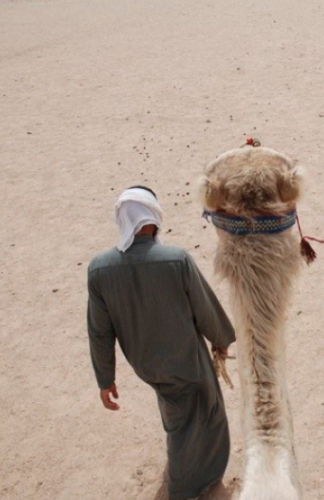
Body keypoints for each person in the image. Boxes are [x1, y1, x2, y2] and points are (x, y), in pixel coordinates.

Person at [87, 186, 235, 500]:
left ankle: (190, 473)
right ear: (154, 216)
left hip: (147, 366)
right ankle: (187, 487)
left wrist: (105, 379)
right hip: (187, 361)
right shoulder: (175, 259)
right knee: (203, 416)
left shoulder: (100, 269)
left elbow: (100, 332)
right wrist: (221, 340)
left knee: (176, 413)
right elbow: (203, 306)